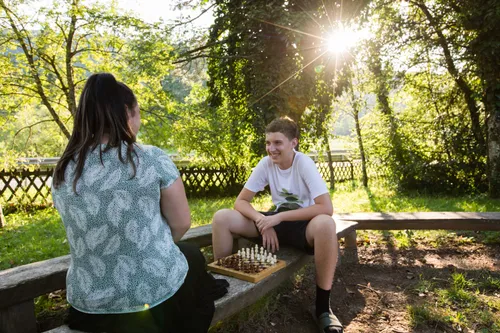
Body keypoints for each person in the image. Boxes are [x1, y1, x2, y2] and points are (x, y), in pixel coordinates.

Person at [51, 73, 217, 333]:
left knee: (191, 255)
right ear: (127, 113)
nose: (139, 122)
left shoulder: (64, 169)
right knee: (193, 258)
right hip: (152, 300)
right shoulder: (151, 158)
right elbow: (182, 224)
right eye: (138, 114)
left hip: (88, 307)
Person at [212, 116, 343, 333]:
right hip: (274, 222)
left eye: (277, 143)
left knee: (326, 224)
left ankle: (323, 309)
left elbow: (325, 207)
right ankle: (222, 285)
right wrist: (263, 222)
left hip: (303, 226)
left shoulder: (303, 164)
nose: (271, 149)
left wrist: (278, 218)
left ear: (294, 143)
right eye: (268, 143)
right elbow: (240, 201)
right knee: (221, 217)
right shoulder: (266, 164)